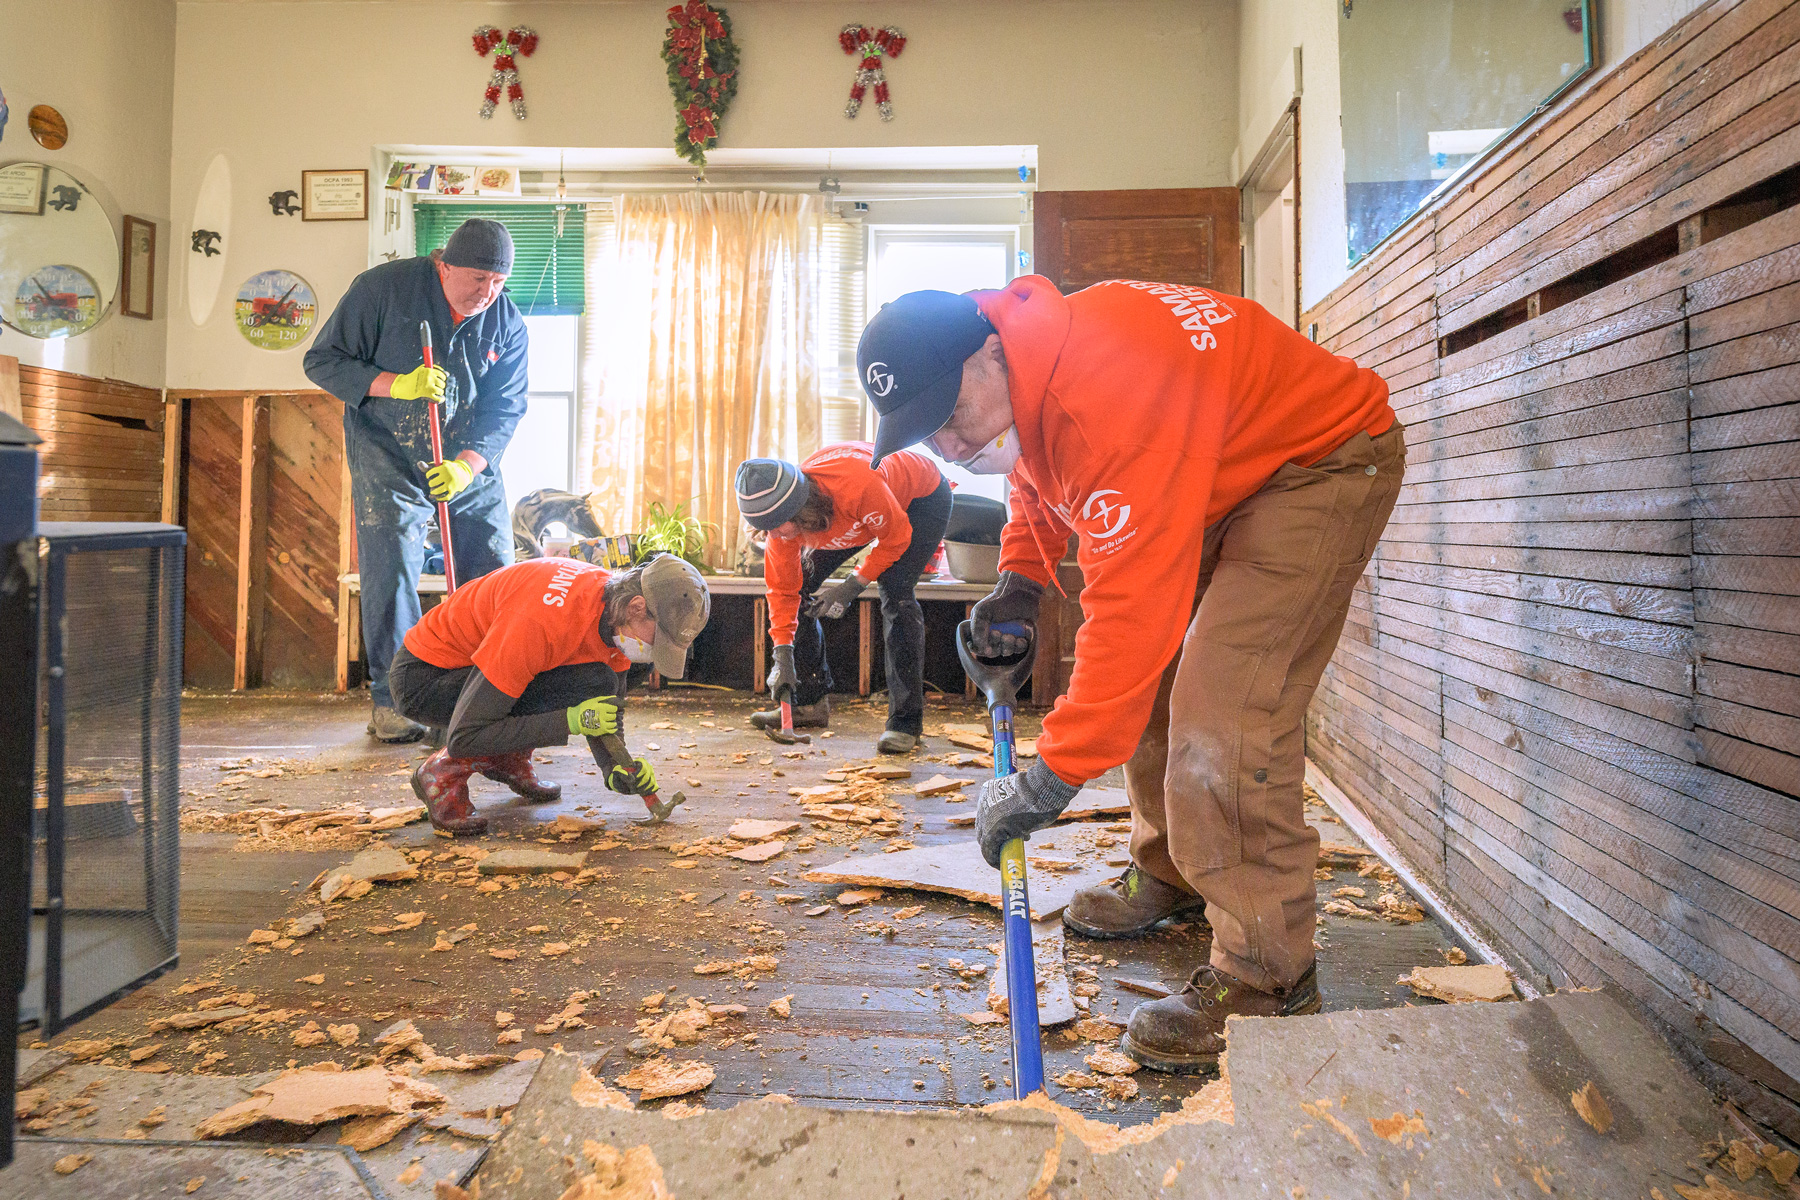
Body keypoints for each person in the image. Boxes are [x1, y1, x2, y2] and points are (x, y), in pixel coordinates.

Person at [858, 279, 1403, 1073]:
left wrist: (1050, 777)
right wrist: (1019, 579)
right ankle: (1174, 867)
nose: (945, 446)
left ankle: (1268, 975)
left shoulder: (1102, 395)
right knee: (1155, 680)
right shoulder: (1031, 368)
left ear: (988, 354)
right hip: (1226, 465)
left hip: (1319, 461)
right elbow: (1040, 472)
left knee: (1227, 711)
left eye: (948, 416)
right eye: (925, 431)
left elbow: (1126, 616)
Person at [305, 218, 529, 744]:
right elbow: (322, 361)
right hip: (388, 448)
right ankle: (396, 698)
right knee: (392, 566)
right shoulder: (382, 289)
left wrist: (465, 467)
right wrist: (395, 384)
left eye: (498, 282)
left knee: (493, 569)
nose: (486, 293)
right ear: (443, 264)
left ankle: (489, 692)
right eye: (476, 278)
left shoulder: (507, 322)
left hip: (465, 458)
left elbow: (505, 408)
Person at [387, 553, 711, 835]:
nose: (656, 651)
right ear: (637, 607)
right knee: (588, 680)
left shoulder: (614, 608)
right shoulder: (543, 622)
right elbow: (465, 735)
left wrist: (615, 770)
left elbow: (608, 704)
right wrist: (573, 720)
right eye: (659, 639)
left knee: (601, 678)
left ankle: (507, 757)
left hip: (475, 673)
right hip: (425, 679)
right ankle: (442, 771)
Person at [734, 443, 950, 754]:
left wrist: (853, 584)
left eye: (777, 527)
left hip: (920, 498)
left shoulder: (857, 485)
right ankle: (808, 702)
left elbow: (896, 537)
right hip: (854, 517)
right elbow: (783, 591)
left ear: (799, 509)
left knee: (895, 590)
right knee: (803, 584)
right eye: (767, 530)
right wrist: (781, 655)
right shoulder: (780, 529)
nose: (775, 537)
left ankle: (905, 723)